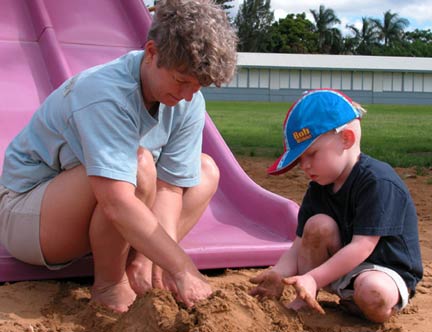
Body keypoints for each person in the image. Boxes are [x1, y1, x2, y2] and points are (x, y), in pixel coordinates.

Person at [0, 0, 237, 312]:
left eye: (198, 85)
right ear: (151, 53)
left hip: (96, 211)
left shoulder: (188, 100)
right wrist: (183, 269)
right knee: (137, 168)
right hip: (29, 217)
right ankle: (109, 284)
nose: (188, 96)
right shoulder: (105, 93)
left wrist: (150, 260)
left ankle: (138, 266)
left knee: (205, 171)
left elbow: (170, 189)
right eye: (182, 81)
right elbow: (116, 201)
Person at [249, 89, 423, 323]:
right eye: (300, 160)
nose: (305, 166)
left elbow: (362, 247)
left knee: (374, 294)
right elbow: (299, 245)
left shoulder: (377, 181)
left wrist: (312, 277)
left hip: (386, 270)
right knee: (317, 224)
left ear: (346, 139)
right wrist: (278, 274)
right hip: (341, 267)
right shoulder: (319, 186)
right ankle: (306, 300)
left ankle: (359, 305)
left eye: (311, 154)